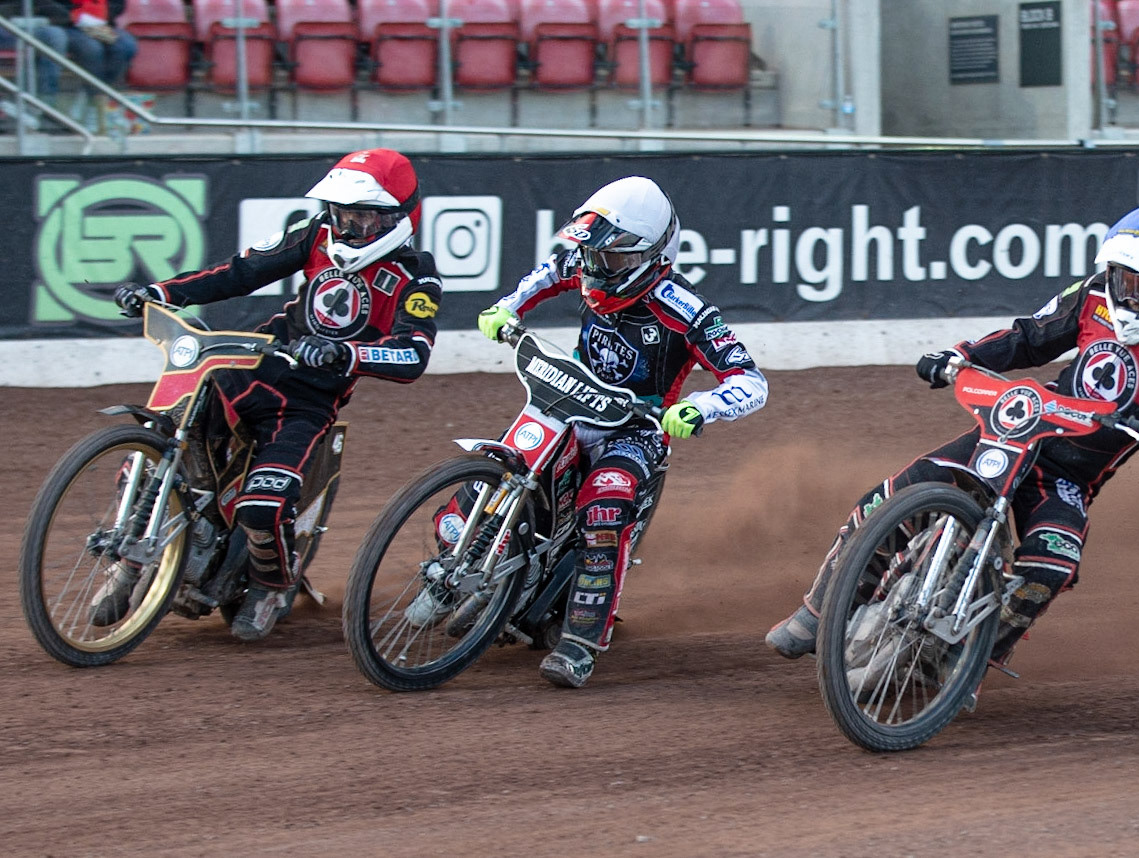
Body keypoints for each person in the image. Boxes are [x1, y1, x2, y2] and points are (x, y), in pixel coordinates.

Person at [766, 202, 1139, 671]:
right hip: (1014, 433)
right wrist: (959, 356)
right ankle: (817, 611)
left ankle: (957, 665)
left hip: (1067, 479)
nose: (1128, 296)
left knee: (1053, 563)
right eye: (1120, 278)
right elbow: (1029, 337)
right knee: (892, 496)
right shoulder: (1093, 296)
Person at [101, 149, 443, 642]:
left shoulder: (417, 274)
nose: (349, 226)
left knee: (264, 506)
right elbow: (239, 271)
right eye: (343, 213)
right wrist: (161, 293)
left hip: (307, 401)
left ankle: (272, 585)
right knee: (156, 439)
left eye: (364, 216)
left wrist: (343, 354)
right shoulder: (314, 235)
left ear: (398, 216)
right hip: (249, 367)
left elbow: (413, 355)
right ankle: (128, 560)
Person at [477, 175, 768, 688]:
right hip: (569, 400)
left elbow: (750, 380)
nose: (595, 268)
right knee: (504, 462)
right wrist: (508, 307)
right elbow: (547, 273)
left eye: (611, 260)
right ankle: (465, 547)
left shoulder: (688, 310)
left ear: (650, 255)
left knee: (604, 511)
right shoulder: (583, 262)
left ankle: (581, 642)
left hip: (636, 431)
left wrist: (701, 407)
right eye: (591, 255)